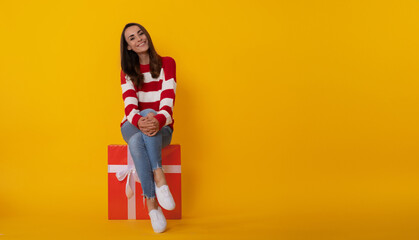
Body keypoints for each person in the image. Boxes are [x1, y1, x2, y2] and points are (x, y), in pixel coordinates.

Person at [119, 22, 177, 233]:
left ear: (147, 36)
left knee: (136, 141)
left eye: (140, 34)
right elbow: (129, 107)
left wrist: (157, 119)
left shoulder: (167, 64)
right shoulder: (127, 71)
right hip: (132, 125)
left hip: (162, 128)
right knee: (142, 116)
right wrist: (141, 119)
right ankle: (158, 175)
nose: (139, 39)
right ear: (128, 47)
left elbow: (168, 102)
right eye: (132, 38)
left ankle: (151, 203)